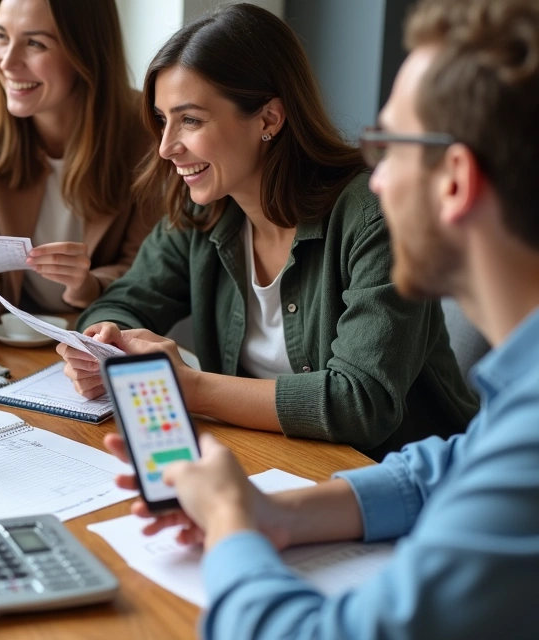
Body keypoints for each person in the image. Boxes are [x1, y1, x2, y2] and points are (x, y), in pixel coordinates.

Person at [106, 0, 539, 636]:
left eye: (390, 147)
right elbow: (444, 468)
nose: (378, 178)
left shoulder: (526, 451)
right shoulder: (519, 397)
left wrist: (229, 520)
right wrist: (277, 515)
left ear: (454, 180)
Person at [60, 3, 477, 457]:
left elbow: (360, 403)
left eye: (191, 120)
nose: (165, 147)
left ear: (269, 119)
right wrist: (106, 344)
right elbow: (121, 302)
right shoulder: (203, 212)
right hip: (268, 458)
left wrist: (190, 387)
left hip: (400, 479)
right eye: (163, 120)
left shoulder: (374, 218)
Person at [0, 0, 155, 328]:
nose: (7, 62)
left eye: (35, 43)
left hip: (102, 335)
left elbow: (147, 273)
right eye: (1, 36)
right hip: (5, 338)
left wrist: (87, 285)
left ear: (86, 51)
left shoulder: (147, 130)